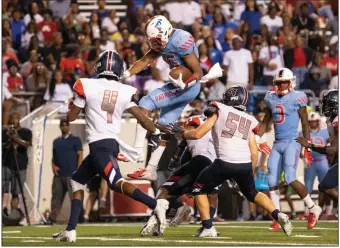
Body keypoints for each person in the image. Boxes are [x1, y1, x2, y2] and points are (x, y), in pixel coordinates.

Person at [52, 50, 169, 243]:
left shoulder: (87, 85)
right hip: (110, 144)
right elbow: (143, 119)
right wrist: (156, 130)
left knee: (115, 183)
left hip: (100, 146)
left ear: (99, 66)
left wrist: (72, 105)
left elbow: (71, 117)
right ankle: (70, 230)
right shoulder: (125, 90)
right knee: (77, 181)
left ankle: (155, 204)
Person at [167, 86, 292, 237]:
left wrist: (179, 133)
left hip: (224, 162)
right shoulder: (250, 119)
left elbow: (198, 133)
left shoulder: (219, 109)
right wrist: (250, 171)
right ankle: (278, 214)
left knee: (198, 189)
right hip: (244, 163)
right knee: (252, 193)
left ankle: (207, 228)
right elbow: (253, 150)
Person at [123, 15, 203, 181]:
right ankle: (151, 169)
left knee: (146, 102)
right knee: (164, 124)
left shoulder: (181, 39)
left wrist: (186, 84)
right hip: (180, 85)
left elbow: (198, 72)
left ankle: (137, 150)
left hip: (187, 85)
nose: (154, 44)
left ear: (165, 32)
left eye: (156, 40)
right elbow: (145, 60)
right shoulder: (163, 41)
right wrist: (126, 73)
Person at [257, 68, 322, 231]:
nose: (281, 85)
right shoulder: (270, 98)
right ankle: (278, 217)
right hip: (277, 143)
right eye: (279, 83)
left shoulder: (297, 97)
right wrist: (258, 138)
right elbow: (266, 121)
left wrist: (306, 144)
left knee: (290, 178)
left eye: (284, 82)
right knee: (271, 182)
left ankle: (313, 208)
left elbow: (305, 123)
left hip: (292, 142)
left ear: (291, 82)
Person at [140, 115, 217, 236]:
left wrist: (156, 124)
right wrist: (176, 158)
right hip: (214, 166)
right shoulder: (215, 130)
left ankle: (157, 220)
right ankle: (208, 227)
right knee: (212, 195)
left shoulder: (195, 124)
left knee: (164, 190)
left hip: (199, 163)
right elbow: (183, 145)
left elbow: (181, 133)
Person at [296, 89, 338, 202]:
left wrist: (310, 145)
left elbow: (333, 149)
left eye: (326, 103)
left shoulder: (336, 121)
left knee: (325, 186)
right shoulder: (332, 120)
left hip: (325, 160)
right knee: (324, 186)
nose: (324, 106)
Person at [48, 119, 83, 224]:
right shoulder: (56, 141)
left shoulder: (76, 140)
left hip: (71, 174)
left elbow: (80, 155)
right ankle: (53, 219)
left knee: (75, 197)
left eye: (66, 125)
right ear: (60, 127)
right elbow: (53, 157)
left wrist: (78, 171)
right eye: (62, 125)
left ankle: (79, 218)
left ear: (69, 126)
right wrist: (53, 166)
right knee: (56, 198)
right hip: (59, 176)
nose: (64, 127)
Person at [2, 112, 32, 216]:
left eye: (16, 118)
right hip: (6, 164)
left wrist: (16, 139)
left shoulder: (26, 132)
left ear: (19, 119)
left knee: (16, 191)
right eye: (12, 119)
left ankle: (14, 213)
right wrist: (8, 140)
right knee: (3, 189)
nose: (14, 121)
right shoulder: (5, 132)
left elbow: (26, 144)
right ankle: (3, 211)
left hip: (20, 165)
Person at [300, 112, 330, 216]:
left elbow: (331, 144)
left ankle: (325, 210)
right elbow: (299, 148)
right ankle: (307, 211)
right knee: (307, 187)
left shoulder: (325, 132)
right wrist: (302, 154)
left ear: (318, 122)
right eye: (311, 122)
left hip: (322, 160)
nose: (313, 124)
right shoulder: (302, 133)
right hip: (310, 162)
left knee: (325, 187)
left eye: (315, 121)